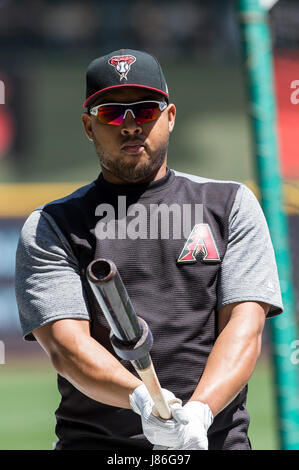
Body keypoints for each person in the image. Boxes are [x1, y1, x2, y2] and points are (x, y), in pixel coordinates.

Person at [15, 48, 283, 451]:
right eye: (110, 113)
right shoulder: (52, 225)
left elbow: (244, 330)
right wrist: (141, 400)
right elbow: (67, 348)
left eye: (144, 111)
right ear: (88, 126)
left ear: (170, 117)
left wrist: (201, 412)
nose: (129, 126)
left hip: (214, 442)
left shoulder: (230, 206)